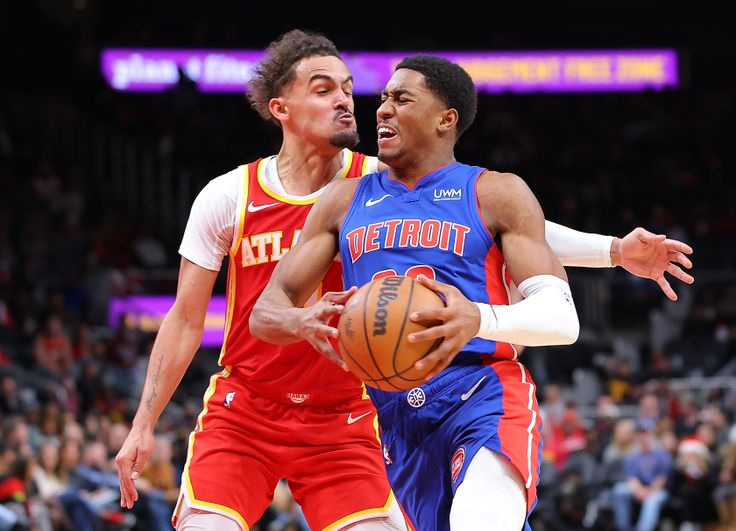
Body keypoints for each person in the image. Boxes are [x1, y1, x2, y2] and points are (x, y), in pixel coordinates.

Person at [116, 30, 693, 531]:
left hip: (358, 409)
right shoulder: (243, 196)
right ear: (280, 108)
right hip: (268, 404)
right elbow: (194, 317)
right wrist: (145, 423)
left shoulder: (385, 176)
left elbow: (505, 223)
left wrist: (613, 250)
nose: (352, 101)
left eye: (350, 88)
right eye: (326, 89)